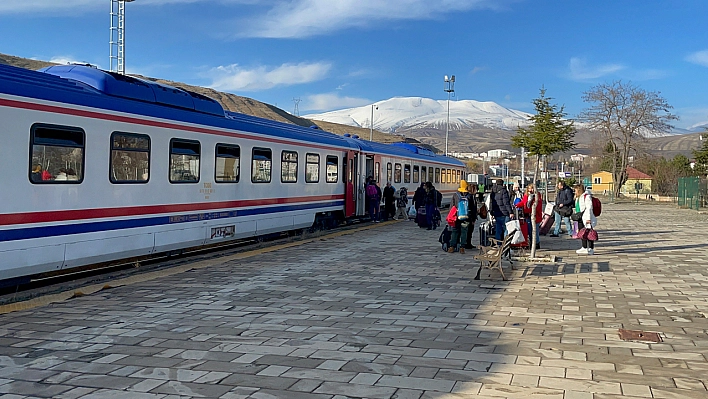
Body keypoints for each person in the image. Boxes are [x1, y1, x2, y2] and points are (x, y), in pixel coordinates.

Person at [515, 184, 543, 249]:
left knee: (535, 231)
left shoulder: (537, 196)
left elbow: (537, 206)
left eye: (532, 188)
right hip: (527, 216)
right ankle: (532, 243)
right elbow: (523, 202)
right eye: (530, 188)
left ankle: (536, 244)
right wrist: (517, 205)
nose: (531, 190)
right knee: (530, 231)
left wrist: (530, 209)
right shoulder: (526, 195)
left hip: (535, 216)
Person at [448, 180, 473, 253]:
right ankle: (462, 248)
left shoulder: (456, 195)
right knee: (464, 232)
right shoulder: (469, 196)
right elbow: (472, 207)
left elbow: (452, 207)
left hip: (457, 216)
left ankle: (452, 247)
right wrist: (472, 218)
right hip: (466, 217)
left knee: (455, 231)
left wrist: (451, 216)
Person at [574, 184, 597, 255]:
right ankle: (584, 247)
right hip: (580, 217)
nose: (574, 192)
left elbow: (589, 208)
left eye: (575, 190)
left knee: (589, 233)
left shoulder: (586, 196)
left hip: (586, 217)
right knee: (582, 233)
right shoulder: (578, 197)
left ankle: (591, 248)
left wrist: (588, 218)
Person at [463, 182, 479, 250]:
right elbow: (472, 208)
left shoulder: (469, 196)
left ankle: (468, 243)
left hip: (469, 216)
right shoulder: (470, 197)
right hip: (470, 217)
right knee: (469, 231)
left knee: (469, 231)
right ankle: (467, 244)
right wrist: (473, 218)